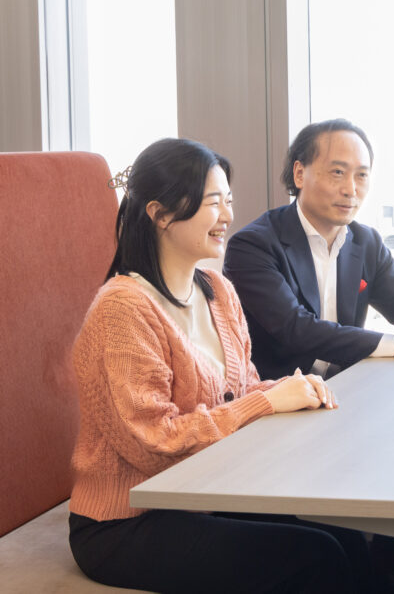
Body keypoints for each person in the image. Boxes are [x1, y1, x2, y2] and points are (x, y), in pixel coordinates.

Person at [69, 138, 373, 593]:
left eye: (228, 201)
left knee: (346, 532)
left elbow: (243, 391)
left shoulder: (217, 290)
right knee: (317, 556)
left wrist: (290, 392)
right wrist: (267, 402)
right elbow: (154, 445)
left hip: (204, 494)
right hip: (126, 521)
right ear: (161, 214)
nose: (228, 215)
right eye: (214, 202)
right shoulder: (122, 311)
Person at [224, 118, 394, 380]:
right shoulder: (252, 246)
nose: (350, 189)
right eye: (337, 172)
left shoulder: (366, 241)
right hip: (277, 395)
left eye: (361, 175)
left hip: (347, 389)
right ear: (299, 174)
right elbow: (296, 329)